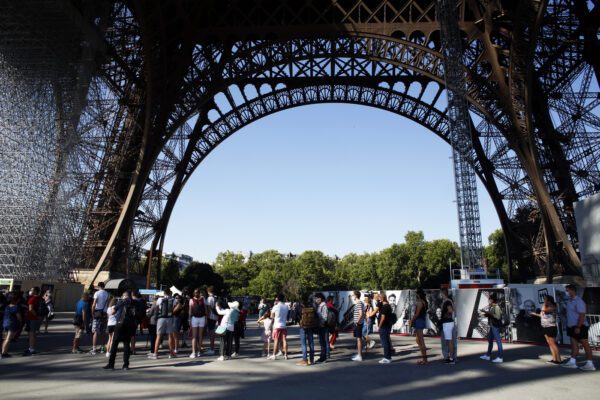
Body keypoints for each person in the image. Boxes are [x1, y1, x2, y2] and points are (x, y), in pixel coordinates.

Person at [561, 284, 595, 371]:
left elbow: (582, 315)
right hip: (571, 327)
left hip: (580, 326)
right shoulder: (570, 301)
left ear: (572, 290)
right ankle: (572, 362)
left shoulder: (579, 301)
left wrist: (578, 327)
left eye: (567, 290)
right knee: (574, 345)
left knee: (585, 345)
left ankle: (590, 364)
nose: (566, 292)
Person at [104, 291, 137, 370]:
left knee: (115, 344)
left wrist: (115, 313)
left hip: (120, 324)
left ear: (124, 296)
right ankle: (125, 365)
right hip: (129, 325)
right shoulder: (134, 302)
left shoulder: (121, 301)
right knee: (126, 345)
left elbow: (113, 311)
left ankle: (111, 364)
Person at [530, 295, 562, 364]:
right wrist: (534, 314)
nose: (544, 300)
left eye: (545, 299)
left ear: (549, 300)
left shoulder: (552, 306)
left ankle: (558, 359)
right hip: (545, 326)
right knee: (549, 343)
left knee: (553, 343)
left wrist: (545, 304)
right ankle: (554, 358)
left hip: (551, 327)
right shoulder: (545, 306)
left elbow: (545, 310)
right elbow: (542, 315)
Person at [149, 288, 180, 359]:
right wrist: (173, 311)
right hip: (169, 318)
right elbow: (179, 305)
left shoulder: (160, 299)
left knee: (158, 336)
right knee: (170, 336)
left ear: (164, 293)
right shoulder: (173, 299)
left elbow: (157, 308)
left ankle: (155, 354)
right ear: (170, 293)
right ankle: (171, 353)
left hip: (161, 318)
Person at [480, 292, 504, 363]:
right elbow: (492, 315)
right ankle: (488, 355)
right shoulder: (492, 307)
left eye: (489, 299)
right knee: (490, 340)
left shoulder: (496, 307)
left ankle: (500, 357)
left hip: (495, 326)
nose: (488, 301)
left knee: (498, 341)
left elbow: (498, 316)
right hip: (492, 325)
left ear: (492, 300)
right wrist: (486, 314)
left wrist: (489, 313)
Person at [409, 289, 428, 365]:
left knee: (421, 340)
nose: (415, 296)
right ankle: (424, 357)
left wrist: (411, 321)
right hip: (421, 320)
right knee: (418, 340)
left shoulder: (420, 303)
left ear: (419, 295)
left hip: (419, 321)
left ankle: (425, 359)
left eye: (416, 295)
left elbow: (416, 314)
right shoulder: (424, 302)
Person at [90, 281, 109, 355]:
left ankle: (94, 349)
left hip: (97, 313)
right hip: (104, 313)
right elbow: (107, 304)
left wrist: (92, 313)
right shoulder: (107, 294)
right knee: (103, 331)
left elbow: (94, 304)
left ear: (98, 286)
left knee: (95, 332)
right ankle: (102, 347)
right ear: (104, 286)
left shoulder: (97, 293)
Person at [296, 297, 317, 366]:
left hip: (303, 326)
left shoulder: (299, 305)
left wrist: (298, 321)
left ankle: (305, 360)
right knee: (311, 343)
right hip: (310, 326)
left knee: (303, 343)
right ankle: (312, 360)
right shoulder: (311, 305)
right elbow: (315, 315)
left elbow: (296, 316)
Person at [189, 288, 208, 358]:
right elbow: (190, 311)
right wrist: (189, 319)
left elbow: (206, 310)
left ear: (199, 293)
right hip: (195, 318)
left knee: (199, 336)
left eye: (197, 292)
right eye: (195, 292)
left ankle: (198, 351)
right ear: (194, 293)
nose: (196, 293)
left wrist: (206, 319)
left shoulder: (203, 299)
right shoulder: (191, 300)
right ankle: (194, 352)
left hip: (201, 318)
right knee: (194, 336)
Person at [2, 292, 22, 358]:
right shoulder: (16, 307)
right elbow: (18, 317)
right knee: (8, 339)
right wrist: (20, 323)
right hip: (12, 324)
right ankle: (4, 353)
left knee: (5, 339)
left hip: (5, 323)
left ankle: (4, 352)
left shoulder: (7, 306)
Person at [23, 286, 43, 356]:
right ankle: (32, 347)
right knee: (34, 334)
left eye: (32, 290)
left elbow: (30, 309)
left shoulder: (32, 299)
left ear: (35, 291)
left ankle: (31, 349)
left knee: (31, 334)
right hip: (38, 318)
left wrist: (36, 316)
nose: (30, 291)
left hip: (32, 318)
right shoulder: (41, 298)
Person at [269, 294, 289, 360]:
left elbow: (271, 316)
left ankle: (274, 355)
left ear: (277, 299)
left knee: (276, 340)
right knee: (284, 340)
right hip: (284, 325)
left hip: (277, 325)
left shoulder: (276, 306)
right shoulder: (286, 306)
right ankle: (286, 354)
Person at [440, 288, 457, 361]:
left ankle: (450, 358)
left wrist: (445, 316)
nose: (440, 295)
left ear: (443, 293)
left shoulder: (447, 302)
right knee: (450, 340)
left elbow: (451, 310)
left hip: (447, 323)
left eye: (441, 293)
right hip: (450, 322)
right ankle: (452, 357)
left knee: (449, 341)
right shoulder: (449, 301)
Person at [349, 290, 365, 362]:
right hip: (359, 323)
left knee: (359, 339)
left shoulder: (359, 303)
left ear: (356, 296)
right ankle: (359, 354)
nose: (352, 296)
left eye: (353, 295)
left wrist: (357, 322)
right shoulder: (360, 303)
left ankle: (359, 356)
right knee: (359, 339)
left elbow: (361, 314)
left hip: (358, 324)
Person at [377, 293, 393, 364]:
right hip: (386, 326)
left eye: (379, 298)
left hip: (384, 326)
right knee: (387, 341)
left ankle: (387, 358)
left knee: (385, 342)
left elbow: (383, 318)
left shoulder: (385, 307)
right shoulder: (387, 306)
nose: (378, 299)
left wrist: (379, 326)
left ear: (382, 298)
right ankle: (388, 357)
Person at [314, 292, 328, 363]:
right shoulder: (319, 306)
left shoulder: (323, 306)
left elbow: (325, 317)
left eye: (316, 298)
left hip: (322, 326)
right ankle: (322, 356)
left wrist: (321, 323)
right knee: (321, 342)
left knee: (323, 342)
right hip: (320, 326)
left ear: (320, 298)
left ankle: (323, 357)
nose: (316, 300)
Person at [205, 286, 218, 356]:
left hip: (211, 317)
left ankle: (212, 349)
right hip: (215, 316)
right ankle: (212, 348)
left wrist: (207, 317)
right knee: (212, 332)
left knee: (211, 333)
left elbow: (209, 309)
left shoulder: (209, 298)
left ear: (208, 291)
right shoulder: (215, 297)